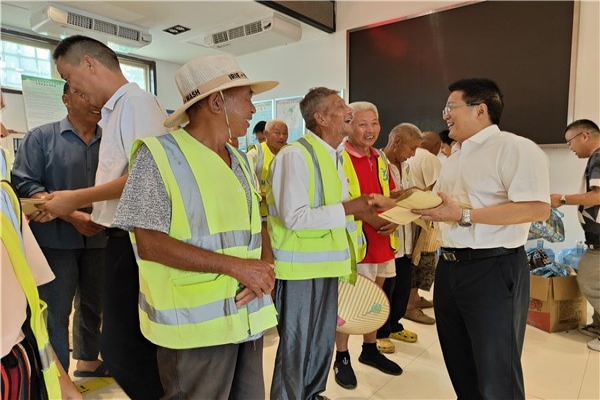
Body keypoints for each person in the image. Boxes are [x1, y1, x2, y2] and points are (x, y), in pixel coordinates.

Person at [113, 54, 279, 399]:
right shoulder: (158, 156)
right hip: (194, 327)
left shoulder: (240, 160)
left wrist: (265, 269)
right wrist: (237, 267)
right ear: (217, 103)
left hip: (248, 313)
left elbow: (257, 224)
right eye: (247, 98)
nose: (253, 109)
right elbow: (149, 243)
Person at [42, 35, 168, 399]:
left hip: (134, 240)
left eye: (69, 77)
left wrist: (75, 199)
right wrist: (92, 212)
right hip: (116, 237)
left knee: (122, 348)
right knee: (120, 345)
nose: (73, 88)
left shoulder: (137, 104)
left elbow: (147, 175)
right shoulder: (117, 110)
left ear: (89, 64)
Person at [409, 78, 550, 399]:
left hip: (493, 268)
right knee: (460, 365)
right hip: (450, 268)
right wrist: (405, 208)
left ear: (480, 110)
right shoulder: (455, 156)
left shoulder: (515, 148)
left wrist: (465, 215)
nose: (445, 115)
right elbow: (446, 207)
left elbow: (537, 208)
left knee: (496, 372)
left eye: (451, 107)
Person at [268, 87, 374, 400]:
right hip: (299, 270)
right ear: (321, 118)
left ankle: (313, 393)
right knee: (296, 346)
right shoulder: (295, 155)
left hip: (327, 265)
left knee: (321, 340)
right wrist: (351, 208)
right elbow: (294, 217)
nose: (349, 111)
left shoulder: (334, 155)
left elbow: (336, 211)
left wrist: (367, 213)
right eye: (340, 106)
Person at [11, 82, 107, 376]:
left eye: (98, 95)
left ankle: (88, 361)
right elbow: (26, 184)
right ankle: (57, 378)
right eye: (84, 94)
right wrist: (72, 215)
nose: (95, 102)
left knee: (93, 305)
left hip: (100, 239)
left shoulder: (111, 141)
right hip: (54, 242)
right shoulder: (41, 137)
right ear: (66, 99)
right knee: (55, 311)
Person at [1, 148, 81, 400]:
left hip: (15, 362)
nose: (3, 131)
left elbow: (31, 314)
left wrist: (60, 379)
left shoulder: (4, 197)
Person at [332, 101, 402, 389]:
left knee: (376, 300)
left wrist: (396, 220)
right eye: (363, 124)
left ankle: (370, 350)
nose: (370, 129)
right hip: (355, 245)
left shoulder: (380, 157)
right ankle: (342, 357)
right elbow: (336, 203)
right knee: (349, 306)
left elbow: (392, 195)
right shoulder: (338, 157)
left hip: (382, 241)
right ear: (348, 125)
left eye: (374, 123)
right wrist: (372, 219)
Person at [550, 119, 600, 352]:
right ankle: (597, 325)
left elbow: (597, 196)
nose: (570, 147)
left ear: (585, 136)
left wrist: (562, 199)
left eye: (570, 141)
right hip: (596, 238)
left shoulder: (598, 157)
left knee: (590, 281)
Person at [377, 123, 423, 351]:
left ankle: (395, 325)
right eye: (412, 148)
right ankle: (380, 332)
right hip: (386, 236)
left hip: (405, 236)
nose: (413, 154)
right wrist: (405, 196)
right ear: (397, 142)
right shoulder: (377, 162)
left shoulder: (405, 167)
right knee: (386, 288)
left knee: (403, 286)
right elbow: (377, 198)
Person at [403, 130, 443, 325]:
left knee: (412, 258)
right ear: (437, 146)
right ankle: (410, 304)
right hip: (424, 217)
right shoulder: (430, 159)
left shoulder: (409, 157)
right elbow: (438, 190)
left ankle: (413, 299)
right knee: (422, 259)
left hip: (406, 215)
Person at [247, 119, 289, 222]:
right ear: (266, 134)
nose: (281, 137)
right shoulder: (255, 154)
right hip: (261, 216)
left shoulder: (291, 153)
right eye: (277, 133)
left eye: (285, 133)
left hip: (286, 214)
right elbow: (247, 186)